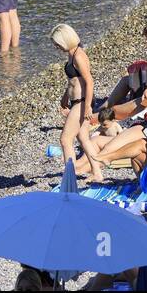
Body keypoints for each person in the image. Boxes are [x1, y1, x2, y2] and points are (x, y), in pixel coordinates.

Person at [51, 24, 99, 179]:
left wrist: (87, 107)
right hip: (75, 101)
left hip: (81, 102)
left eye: (57, 43)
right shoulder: (71, 54)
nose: (56, 46)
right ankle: (97, 173)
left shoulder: (78, 56)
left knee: (65, 140)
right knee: (83, 138)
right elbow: (73, 80)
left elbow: (89, 82)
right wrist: (65, 97)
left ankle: (69, 177)